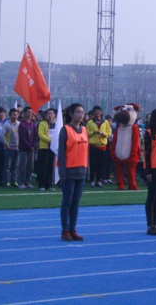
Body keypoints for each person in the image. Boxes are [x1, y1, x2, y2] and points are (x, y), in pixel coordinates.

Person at [57, 103, 88, 241]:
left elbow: (87, 152)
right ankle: (65, 229)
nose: (81, 115)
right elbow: (62, 154)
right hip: (69, 171)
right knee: (67, 201)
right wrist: (62, 173)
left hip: (81, 171)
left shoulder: (85, 130)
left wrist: (88, 170)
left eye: (82, 112)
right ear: (71, 113)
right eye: (78, 112)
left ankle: (73, 228)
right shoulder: (65, 130)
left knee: (76, 202)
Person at [86, 106, 111, 187]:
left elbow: (109, 132)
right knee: (93, 164)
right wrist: (93, 132)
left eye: (99, 111)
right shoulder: (90, 122)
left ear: (101, 112)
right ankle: (92, 180)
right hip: (93, 145)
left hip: (102, 145)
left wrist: (105, 135)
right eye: (96, 112)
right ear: (93, 113)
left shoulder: (105, 122)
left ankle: (99, 180)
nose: (97, 113)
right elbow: (86, 133)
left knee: (101, 164)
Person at [37, 108, 58, 191]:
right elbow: (41, 135)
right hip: (44, 147)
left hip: (52, 148)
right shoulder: (42, 123)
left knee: (50, 167)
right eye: (48, 113)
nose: (50, 115)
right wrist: (51, 140)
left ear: (54, 115)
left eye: (51, 113)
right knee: (43, 167)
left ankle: (49, 185)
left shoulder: (56, 124)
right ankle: (41, 185)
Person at [18, 107, 37, 189]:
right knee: (22, 166)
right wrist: (29, 146)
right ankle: (21, 182)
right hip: (24, 148)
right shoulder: (22, 124)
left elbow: (35, 136)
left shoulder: (33, 124)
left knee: (30, 166)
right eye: (28, 112)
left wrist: (34, 145)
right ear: (24, 113)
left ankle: (28, 181)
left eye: (31, 112)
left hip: (32, 149)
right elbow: (22, 137)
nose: (30, 114)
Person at [2, 108, 20, 187]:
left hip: (17, 148)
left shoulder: (19, 124)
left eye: (16, 115)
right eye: (13, 115)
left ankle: (14, 181)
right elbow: (2, 136)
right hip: (9, 148)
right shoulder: (6, 124)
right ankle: (6, 181)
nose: (15, 116)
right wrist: (7, 145)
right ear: (10, 115)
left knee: (15, 166)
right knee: (7, 166)